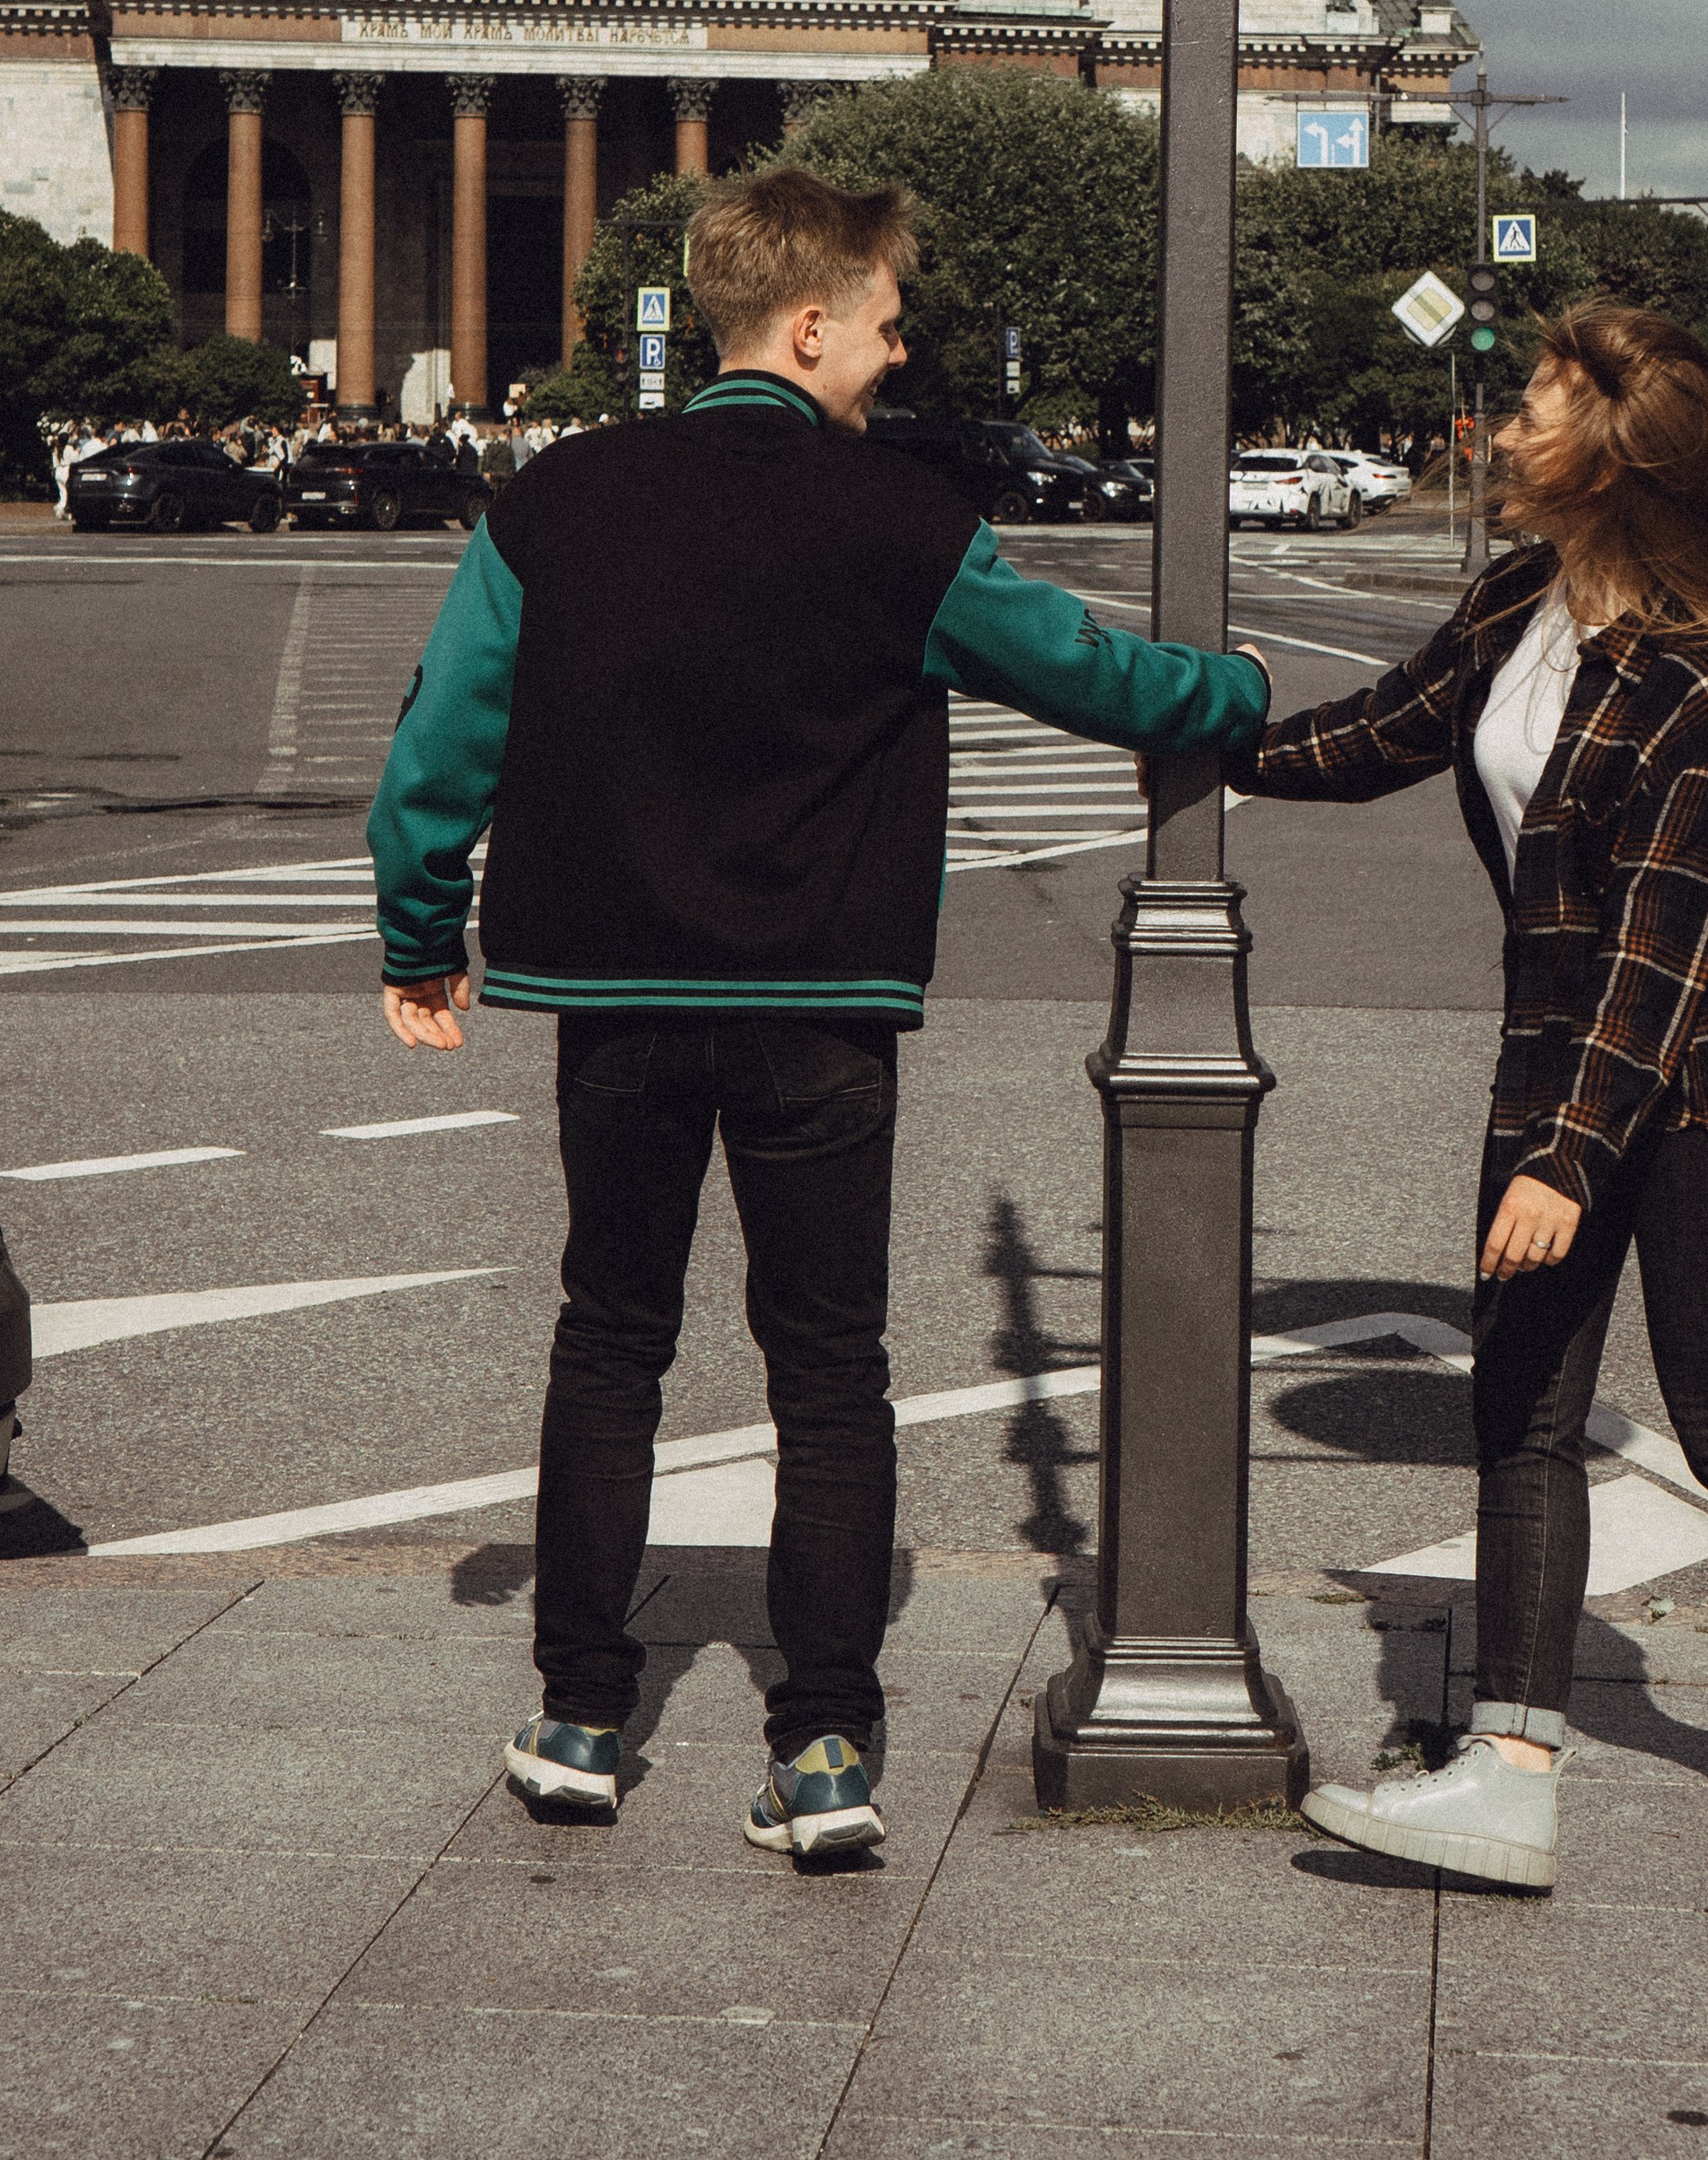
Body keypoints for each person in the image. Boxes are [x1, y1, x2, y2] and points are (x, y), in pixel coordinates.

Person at [366, 168, 1268, 1860]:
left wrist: (424, 937)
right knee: (829, 1370)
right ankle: (828, 1744)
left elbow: (437, 754)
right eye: (884, 319)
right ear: (806, 323)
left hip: (613, 999)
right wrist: (1240, 698)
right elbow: (1088, 672)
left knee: (609, 1339)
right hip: (819, 1006)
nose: (898, 349)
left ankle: (578, 1711)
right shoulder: (904, 519)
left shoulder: (557, 501)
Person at [1225, 305, 1708, 1894]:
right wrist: (1205, 729)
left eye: (1535, 406)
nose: (1505, 429)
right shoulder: (1521, 600)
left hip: (1696, 1091)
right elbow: (1384, 732)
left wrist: (1570, 1160)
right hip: (1552, 1071)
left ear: (1613, 454)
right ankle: (1511, 1769)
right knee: (1522, 1410)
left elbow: (1659, 955)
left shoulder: (1698, 681)